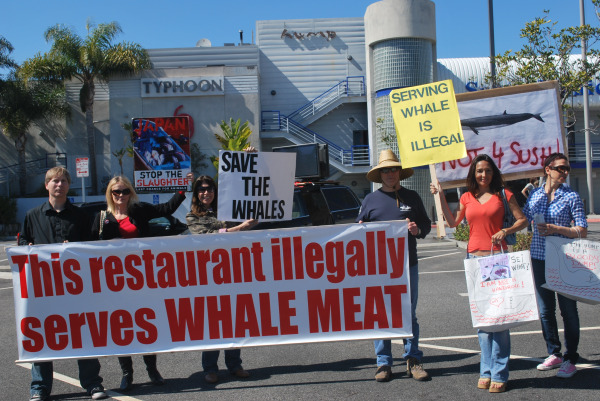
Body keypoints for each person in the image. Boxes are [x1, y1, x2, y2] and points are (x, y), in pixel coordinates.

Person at [431, 154, 528, 393]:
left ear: (493, 173)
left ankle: (500, 372)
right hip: (474, 259)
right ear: (473, 174)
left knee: (500, 318)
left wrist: (505, 231)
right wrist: (440, 196)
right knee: (483, 319)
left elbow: (522, 220)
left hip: (498, 259)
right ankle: (485, 370)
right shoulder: (466, 196)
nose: (483, 175)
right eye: (479, 171)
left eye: (487, 170)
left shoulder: (504, 195)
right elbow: (453, 222)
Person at [91, 175, 188, 391]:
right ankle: (127, 373)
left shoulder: (139, 210)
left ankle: (152, 370)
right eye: (117, 191)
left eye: (125, 191)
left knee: (146, 323)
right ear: (110, 193)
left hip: (141, 279)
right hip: (114, 282)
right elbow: (88, 245)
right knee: (121, 327)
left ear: (130, 193)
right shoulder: (102, 216)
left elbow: (165, 210)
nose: (121, 195)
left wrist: (182, 190)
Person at [19, 167, 108, 401]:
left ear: (69, 185)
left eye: (63, 181)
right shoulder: (33, 215)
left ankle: (93, 384)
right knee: (41, 336)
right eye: (55, 181)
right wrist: (27, 249)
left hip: (76, 290)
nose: (59, 185)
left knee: (84, 335)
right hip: (44, 289)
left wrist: (74, 249)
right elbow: (23, 244)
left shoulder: (80, 216)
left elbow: (92, 249)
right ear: (47, 185)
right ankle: (39, 387)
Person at [356, 149, 431, 382]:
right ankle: (383, 363)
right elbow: (358, 233)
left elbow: (426, 227)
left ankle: (413, 360)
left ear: (399, 172)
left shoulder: (412, 197)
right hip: (379, 268)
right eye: (385, 170)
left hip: (408, 265)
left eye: (393, 169)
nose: (390, 173)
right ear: (380, 174)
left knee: (409, 313)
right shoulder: (370, 200)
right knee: (381, 314)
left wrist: (416, 230)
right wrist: (359, 229)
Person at [186, 175, 257, 383]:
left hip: (233, 271)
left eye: (209, 189)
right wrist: (241, 228)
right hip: (208, 275)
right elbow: (207, 235)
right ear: (196, 194)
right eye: (201, 189)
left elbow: (247, 195)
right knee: (212, 322)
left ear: (215, 191)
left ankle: (235, 365)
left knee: (234, 320)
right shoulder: (192, 216)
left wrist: (248, 158)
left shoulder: (229, 209)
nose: (205, 192)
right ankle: (210, 368)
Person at [522, 153, 588, 378]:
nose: (565, 172)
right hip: (539, 257)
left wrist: (556, 229)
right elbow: (523, 219)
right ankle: (554, 352)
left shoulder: (571, 196)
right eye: (561, 168)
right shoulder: (536, 195)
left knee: (568, 310)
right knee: (545, 309)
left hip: (563, 258)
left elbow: (582, 230)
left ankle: (571, 357)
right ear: (547, 170)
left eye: (567, 169)